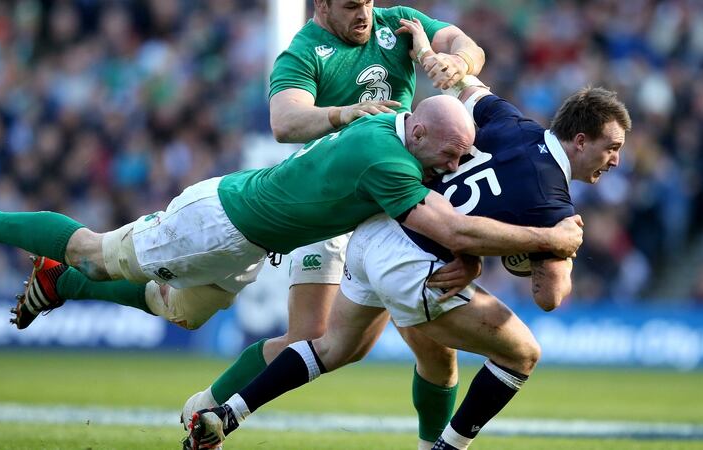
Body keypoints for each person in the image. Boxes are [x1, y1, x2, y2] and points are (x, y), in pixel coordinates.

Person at [0, 94, 582, 348]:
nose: (456, 161)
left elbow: (450, 224)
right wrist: (551, 238)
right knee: (95, 248)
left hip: (253, 236)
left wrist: (468, 252)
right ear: (424, 134)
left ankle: (60, 284)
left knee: (180, 310)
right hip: (219, 222)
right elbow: (455, 229)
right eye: (450, 151)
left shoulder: (393, 126)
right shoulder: (389, 164)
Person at [186, 80, 631, 450]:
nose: (615, 160)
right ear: (580, 141)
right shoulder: (554, 203)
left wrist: (434, 53)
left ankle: (227, 415)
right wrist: (560, 246)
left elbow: (467, 88)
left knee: (332, 347)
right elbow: (550, 296)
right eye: (611, 147)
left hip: (376, 230)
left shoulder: (512, 121)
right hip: (416, 264)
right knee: (521, 354)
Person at [186, 1, 486, 448]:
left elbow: (466, 45)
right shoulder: (304, 50)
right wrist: (344, 113)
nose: (363, 12)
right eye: (350, 5)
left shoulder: (397, 23)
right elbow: (284, 122)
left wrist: (455, 60)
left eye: (366, 2)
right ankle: (207, 405)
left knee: (435, 349)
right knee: (310, 337)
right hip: (329, 208)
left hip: (393, 205)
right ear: (322, 5)